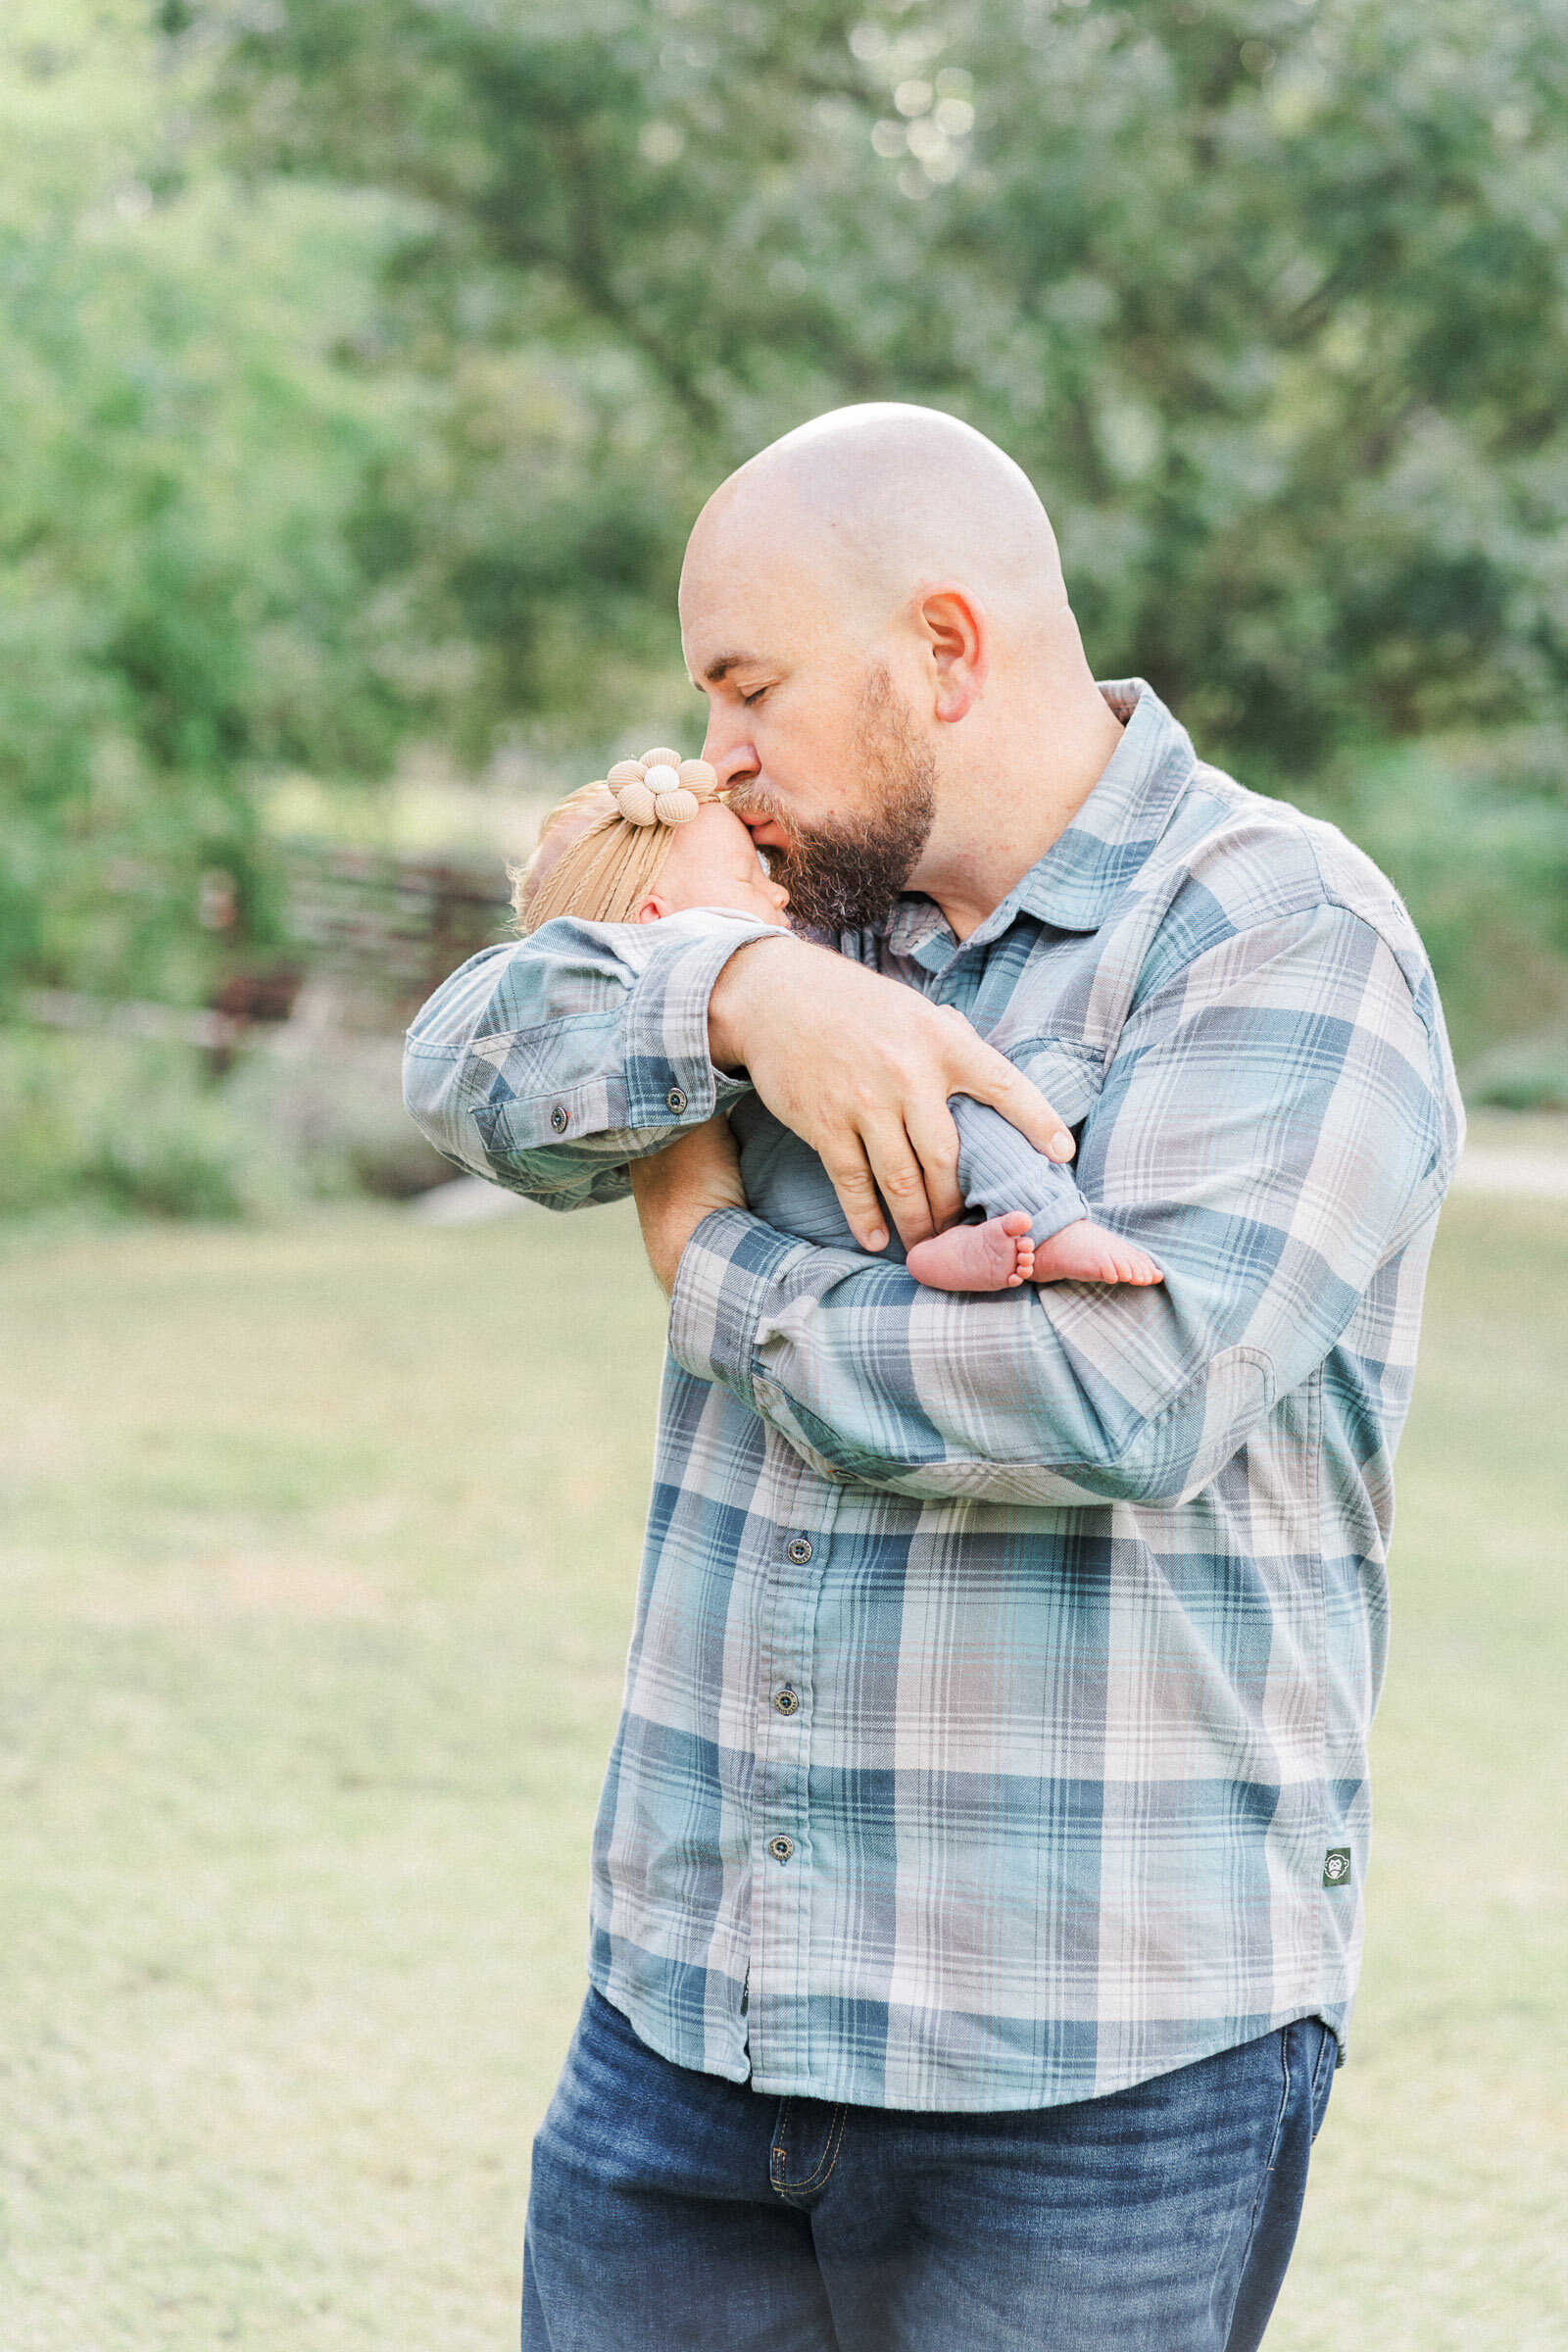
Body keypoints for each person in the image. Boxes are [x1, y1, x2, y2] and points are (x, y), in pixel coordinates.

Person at [403, 404, 1463, 2351]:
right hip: (685, 2029)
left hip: (1090, 2080)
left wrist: (711, 1269)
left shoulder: (1279, 939)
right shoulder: (785, 901)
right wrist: (739, 991)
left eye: (749, 689)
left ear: (943, 656)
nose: (714, 752)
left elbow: (1120, 1395)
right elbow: (466, 1068)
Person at [515, 749, 1163, 1294]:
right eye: (749, 876)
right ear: (660, 920)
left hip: (808, 1199)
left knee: (919, 1115)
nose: (779, 895)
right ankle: (1050, 1219)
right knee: (947, 1093)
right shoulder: (683, 985)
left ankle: (948, 1252)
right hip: (814, 1179)